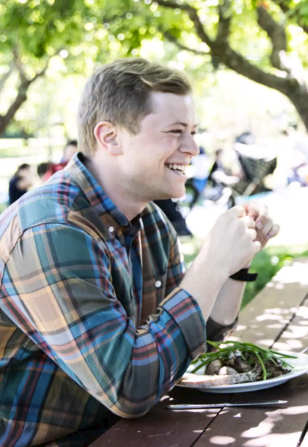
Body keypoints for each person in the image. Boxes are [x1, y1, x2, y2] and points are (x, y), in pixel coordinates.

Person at [0, 58, 280, 446]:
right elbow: (130, 388)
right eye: (175, 132)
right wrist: (209, 264)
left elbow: (194, 345)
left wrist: (235, 262)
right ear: (110, 137)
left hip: (126, 432)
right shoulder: (52, 230)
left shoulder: (149, 221)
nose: (193, 148)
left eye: (194, 132)